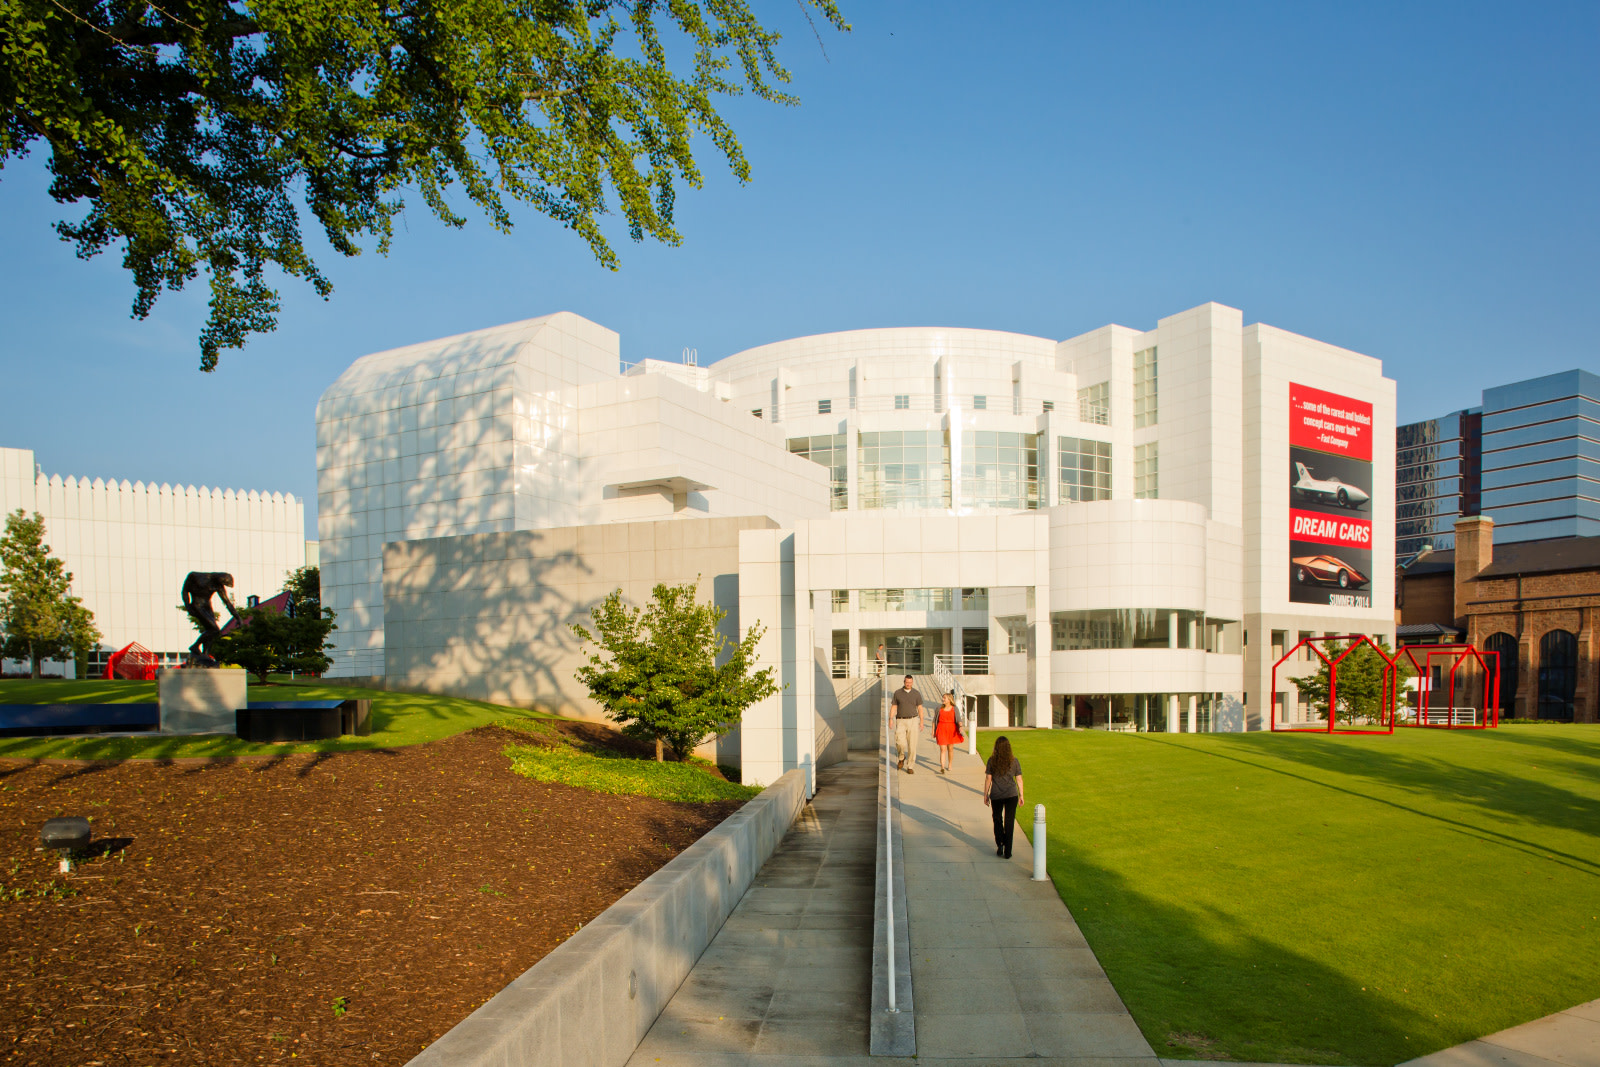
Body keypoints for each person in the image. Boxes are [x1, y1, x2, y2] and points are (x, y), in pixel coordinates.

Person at [983, 736, 1024, 858]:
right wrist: (1021, 795)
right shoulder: (1014, 761)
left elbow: (988, 778)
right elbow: (1019, 779)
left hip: (996, 795)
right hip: (1011, 795)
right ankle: (1008, 851)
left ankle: (1000, 843)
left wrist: (985, 794)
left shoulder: (991, 761)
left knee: (997, 819)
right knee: (1009, 821)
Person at [890, 674, 924, 773]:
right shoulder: (897, 693)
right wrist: (890, 718)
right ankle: (901, 757)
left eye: (910, 682)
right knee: (899, 742)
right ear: (904, 682)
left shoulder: (916, 693)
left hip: (913, 720)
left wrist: (921, 721)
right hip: (900, 720)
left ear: (912, 682)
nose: (908, 684)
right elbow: (894, 706)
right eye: (907, 682)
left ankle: (910, 766)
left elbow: (920, 708)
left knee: (912, 745)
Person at [932, 691, 963, 774]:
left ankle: (950, 764)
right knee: (943, 749)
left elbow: (958, 719)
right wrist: (933, 731)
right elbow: (934, 720)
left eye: (944, 698)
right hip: (941, 729)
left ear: (949, 699)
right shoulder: (939, 708)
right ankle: (942, 767)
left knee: (950, 749)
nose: (943, 699)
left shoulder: (954, 708)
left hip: (951, 730)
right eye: (943, 698)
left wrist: (960, 726)